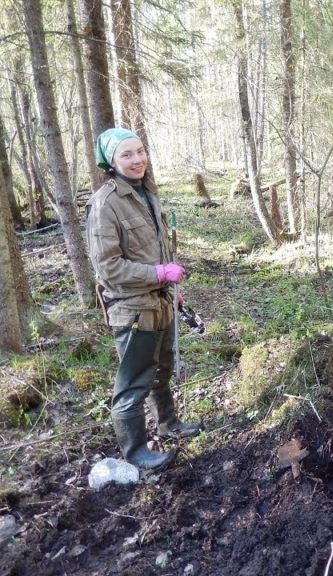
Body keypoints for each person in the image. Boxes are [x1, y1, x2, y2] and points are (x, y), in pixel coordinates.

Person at [85, 127, 203, 470]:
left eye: (139, 151)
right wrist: (157, 274)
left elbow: (158, 247)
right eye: (126, 155)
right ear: (111, 162)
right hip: (132, 308)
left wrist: (172, 289)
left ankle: (168, 424)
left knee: (161, 370)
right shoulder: (105, 203)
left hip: (161, 302)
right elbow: (107, 267)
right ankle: (135, 451)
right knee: (134, 381)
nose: (137, 160)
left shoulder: (147, 192)